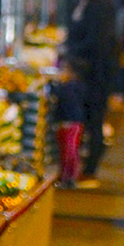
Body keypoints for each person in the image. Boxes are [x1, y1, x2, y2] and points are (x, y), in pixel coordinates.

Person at [64, 0, 118, 187]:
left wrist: (70, 50)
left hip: (96, 75)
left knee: (94, 120)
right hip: (86, 73)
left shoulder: (100, 7)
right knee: (85, 119)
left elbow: (97, 42)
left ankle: (90, 170)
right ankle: (81, 166)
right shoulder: (83, 4)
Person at [52, 57, 87, 188]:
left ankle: (69, 177)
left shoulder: (68, 88)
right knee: (69, 150)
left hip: (70, 123)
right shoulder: (79, 87)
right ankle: (67, 176)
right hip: (73, 123)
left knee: (69, 151)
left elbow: (63, 99)